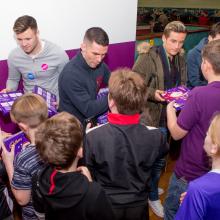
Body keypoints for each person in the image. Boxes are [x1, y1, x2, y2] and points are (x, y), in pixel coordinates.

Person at [85, 68, 168, 220]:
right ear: (142, 102)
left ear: (110, 101)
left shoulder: (92, 136)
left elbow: (89, 168)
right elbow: (158, 157)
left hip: (106, 205)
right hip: (139, 204)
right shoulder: (157, 136)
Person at [133, 21, 187, 218]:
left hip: (171, 118)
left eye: (181, 42)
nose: (177, 46)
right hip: (152, 118)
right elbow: (134, 85)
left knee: (161, 159)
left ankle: (152, 187)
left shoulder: (181, 56)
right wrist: (154, 93)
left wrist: (184, 93)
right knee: (152, 161)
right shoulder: (148, 57)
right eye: (173, 41)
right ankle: (152, 196)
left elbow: (182, 82)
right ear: (163, 38)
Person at [165, 39, 220, 220]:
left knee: (172, 212)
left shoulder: (199, 94)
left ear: (207, 65)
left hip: (191, 172)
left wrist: (170, 110)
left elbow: (176, 132)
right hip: (215, 175)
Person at [31, 112, 115, 220]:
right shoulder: (93, 192)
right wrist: (89, 184)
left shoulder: (38, 179)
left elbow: (40, 215)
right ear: (80, 152)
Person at [1, 93, 48, 220]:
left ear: (22, 126)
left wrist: (8, 162)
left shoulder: (23, 159)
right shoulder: (57, 140)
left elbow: (22, 199)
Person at [2, 15, 69, 98]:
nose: (24, 44)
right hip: (29, 104)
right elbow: (13, 79)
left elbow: (68, 81)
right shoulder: (14, 56)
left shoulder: (58, 53)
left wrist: (61, 100)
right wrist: (9, 90)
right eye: (19, 39)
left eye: (28, 39)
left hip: (53, 103)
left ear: (37, 33)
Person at [58, 27, 110, 127]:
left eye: (103, 55)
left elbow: (113, 82)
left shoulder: (99, 64)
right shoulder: (70, 75)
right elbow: (89, 110)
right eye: (95, 54)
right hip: (71, 129)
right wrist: (115, 97)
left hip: (90, 123)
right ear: (83, 47)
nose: (99, 59)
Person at [175, 113, 220, 220]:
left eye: (208, 133)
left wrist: (191, 202)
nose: (206, 135)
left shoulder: (199, 189)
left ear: (214, 147)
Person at [187, 22, 220, 88]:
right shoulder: (193, 53)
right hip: (200, 91)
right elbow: (194, 81)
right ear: (210, 38)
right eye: (217, 41)